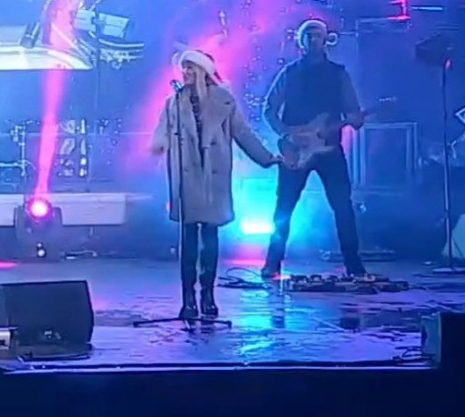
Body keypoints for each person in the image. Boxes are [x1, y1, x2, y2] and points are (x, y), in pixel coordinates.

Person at [150, 50, 281, 320]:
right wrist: (159, 145)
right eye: (184, 68)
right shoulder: (174, 102)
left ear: (203, 71)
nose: (185, 73)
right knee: (188, 237)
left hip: (213, 176)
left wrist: (266, 158)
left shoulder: (224, 100)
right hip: (186, 176)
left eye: (191, 68)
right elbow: (162, 130)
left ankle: (207, 294)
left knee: (210, 236)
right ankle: (188, 297)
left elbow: (242, 132)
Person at [261, 19, 370, 280]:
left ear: (326, 40)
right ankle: (272, 264)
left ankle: (354, 266)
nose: (312, 40)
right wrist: (287, 133)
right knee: (284, 207)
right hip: (295, 150)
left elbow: (353, 112)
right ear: (300, 41)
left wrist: (356, 119)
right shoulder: (289, 73)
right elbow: (269, 109)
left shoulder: (338, 74)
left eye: (317, 35)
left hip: (330, 149)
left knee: (343, 207)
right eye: (308, 36)